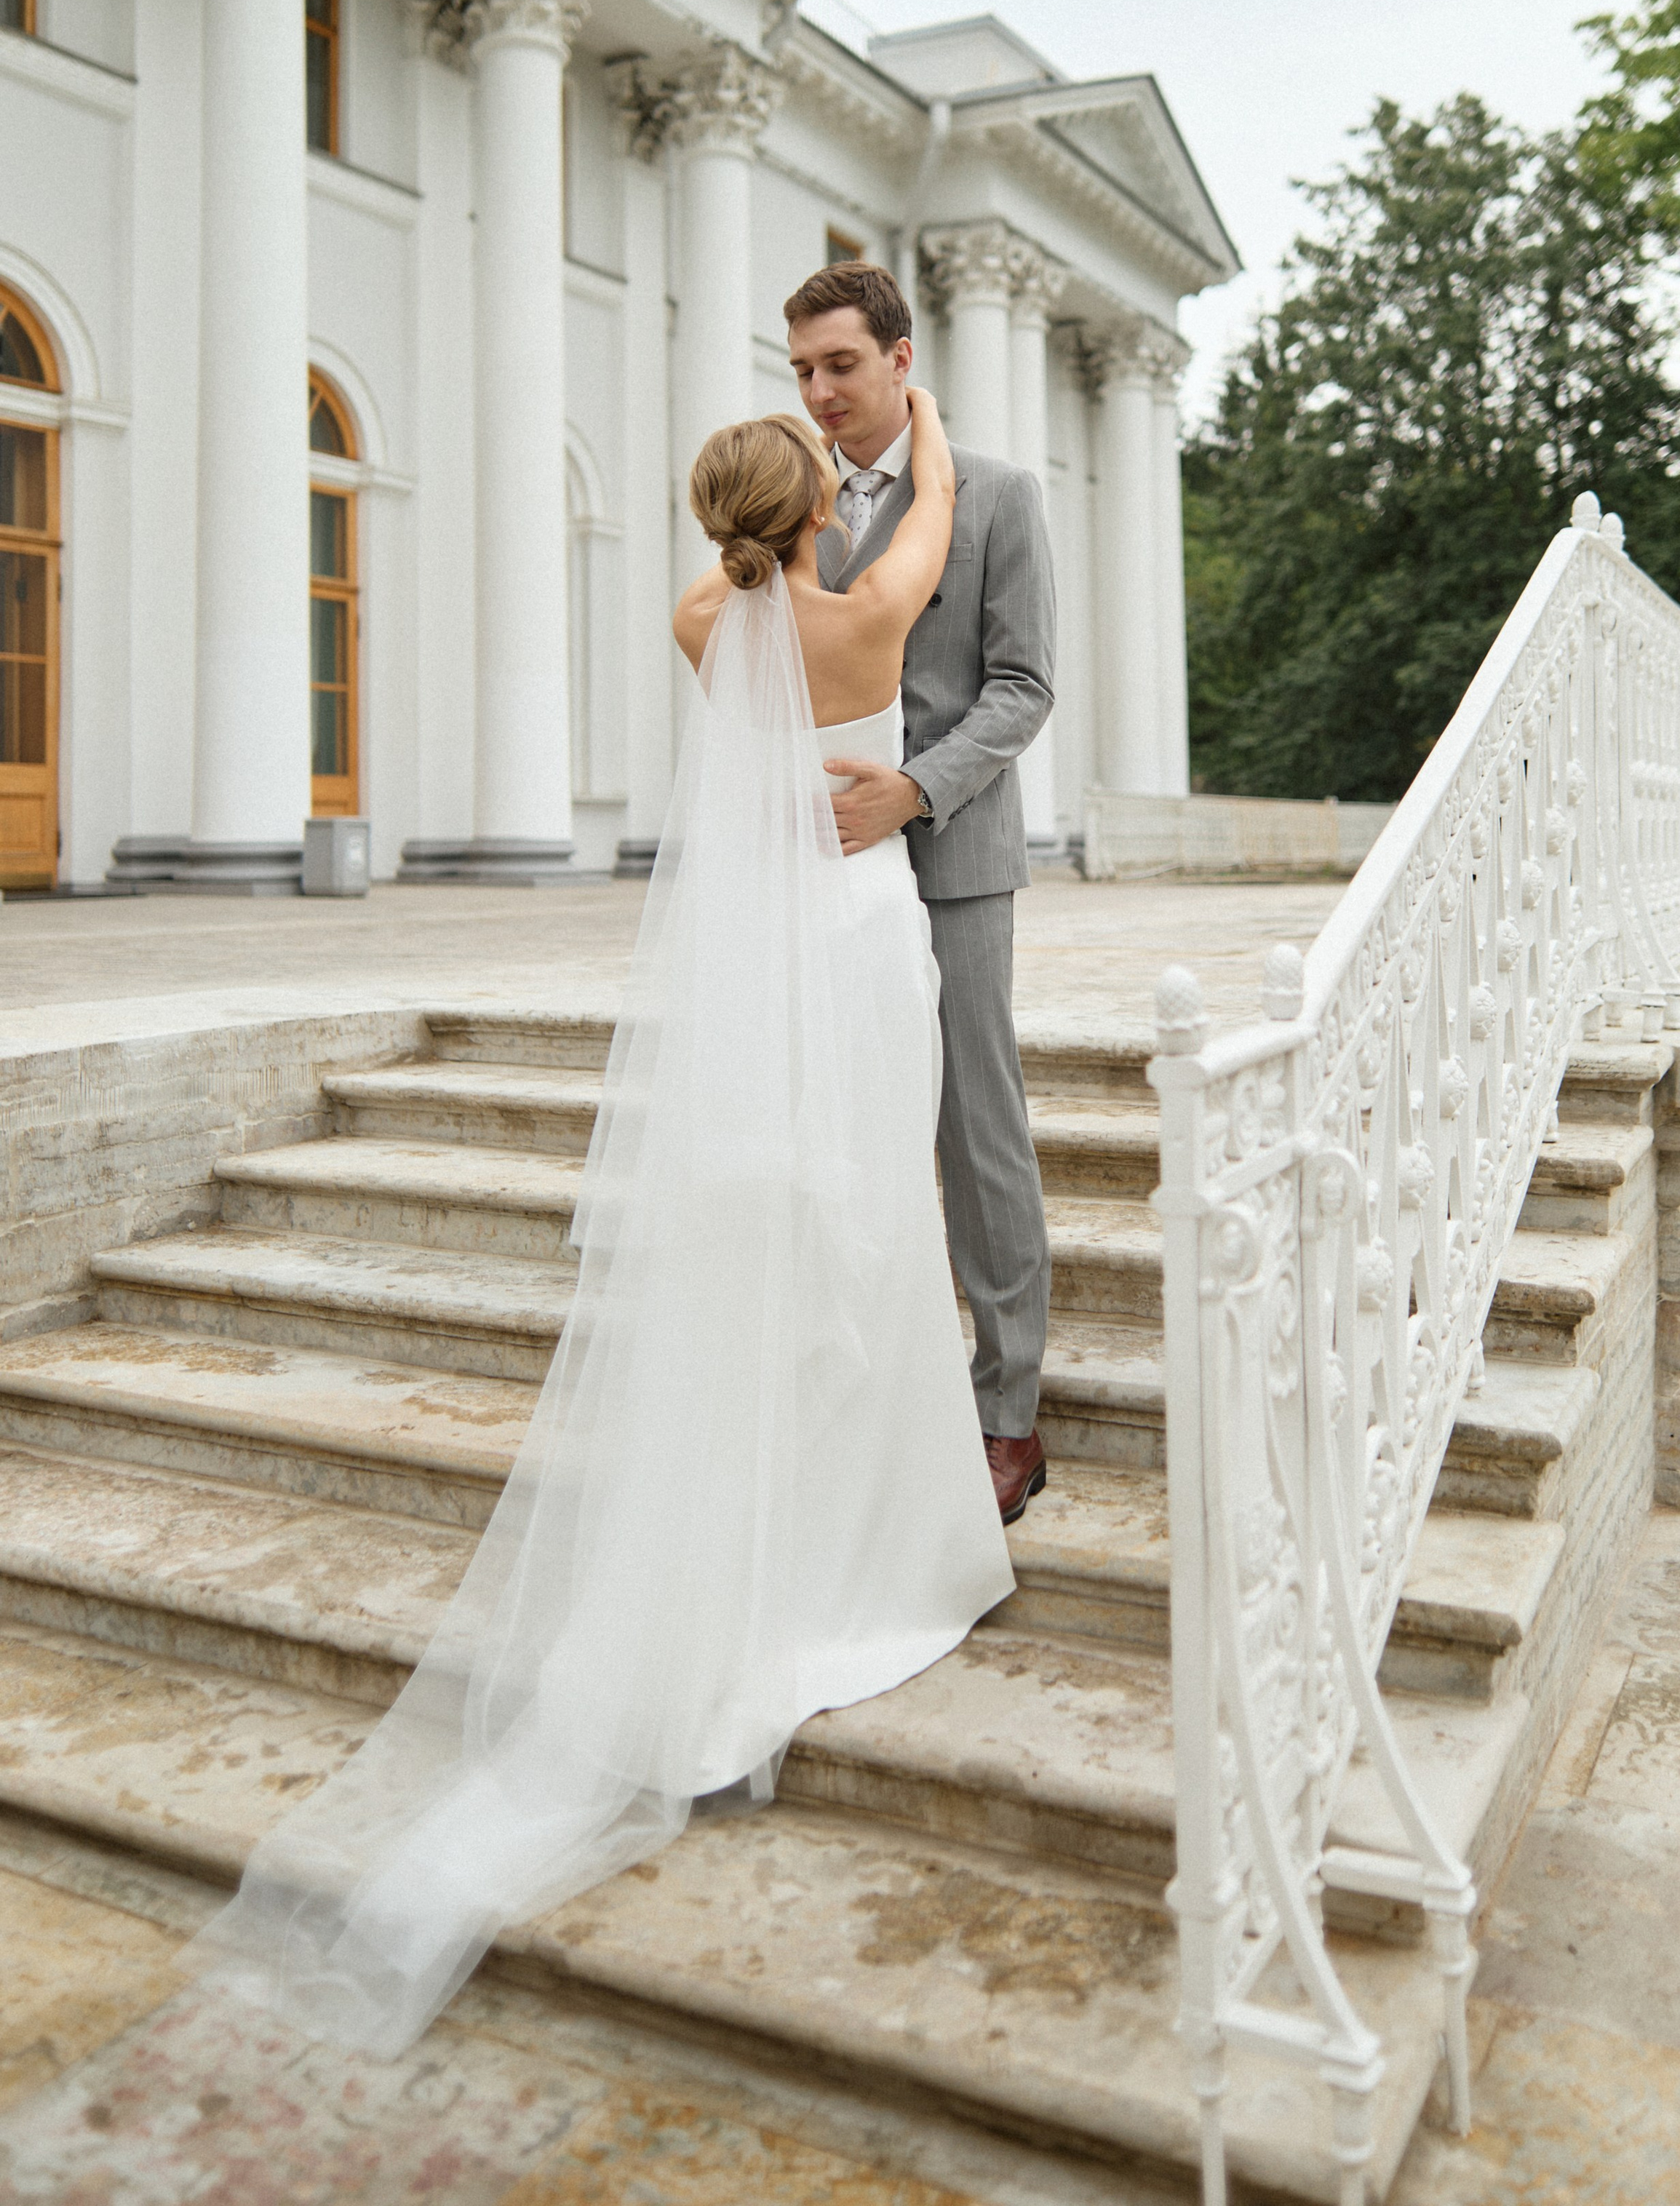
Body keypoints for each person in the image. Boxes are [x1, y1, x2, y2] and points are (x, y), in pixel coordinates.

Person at [183, 387, 1013, 2059]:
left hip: (748, 969)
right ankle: (860, 1521)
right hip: (853, 946)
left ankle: (764, 1497)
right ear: (815, 518)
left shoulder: (705, 613)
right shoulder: (868, 611)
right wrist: (913, 422)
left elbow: (818, 563)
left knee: (778, 1229)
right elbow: (924, 515)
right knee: (864, 1216)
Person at [785, 260, 1057, 1524]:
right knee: (843, 1121)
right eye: (801, 371)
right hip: (824, 868)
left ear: (902, 359)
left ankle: (1008, 1414)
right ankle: (863, 1384)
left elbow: (1022, 687)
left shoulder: (999, 496)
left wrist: (916, 790)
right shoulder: (798, 504)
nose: (821, 391)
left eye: (841, 364)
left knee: (975, 1130)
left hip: (949, 863)